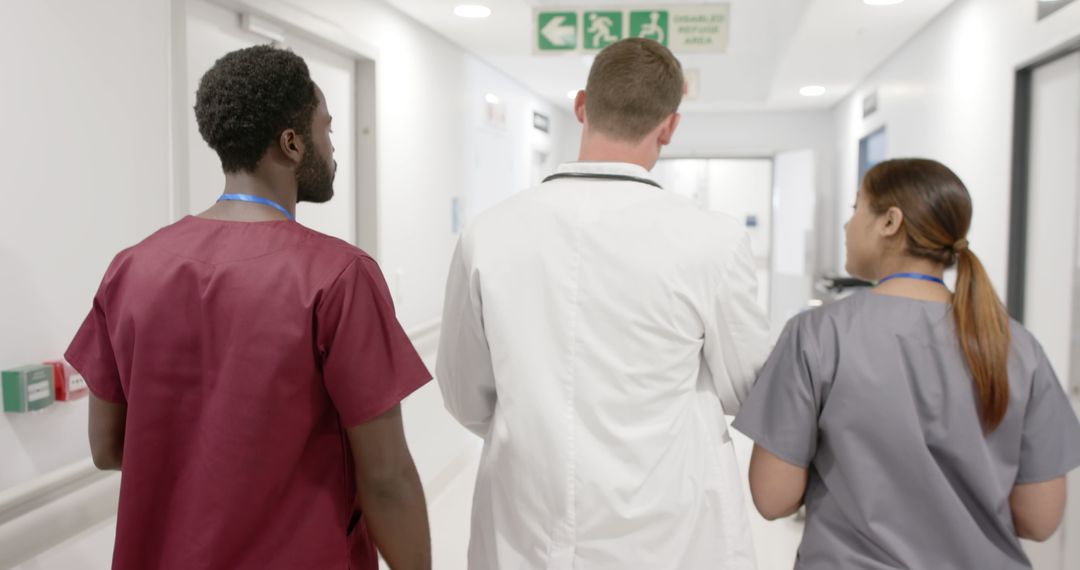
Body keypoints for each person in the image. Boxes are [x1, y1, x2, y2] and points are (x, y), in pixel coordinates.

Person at [66, 45, 432, 570]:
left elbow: (107, 447)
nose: (332, 147)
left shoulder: (132, 267)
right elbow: (387, 477)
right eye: (325, 130)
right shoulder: (338, 276)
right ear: (291, 143)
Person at [436, 38, 769, 569]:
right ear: (670, 126)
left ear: (581, 105)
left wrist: (542, 422)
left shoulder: (490, 233)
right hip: (672, 533)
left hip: (529, 529)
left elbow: (462, 394)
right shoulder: (713, 240)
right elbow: (747, 387)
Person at [733, 158, 1080, 569]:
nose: (847, 226)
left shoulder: (817, 334)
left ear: (889, 222)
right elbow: (1039, 519)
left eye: (856, 208)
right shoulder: (1016, 346)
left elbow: (774, 498)